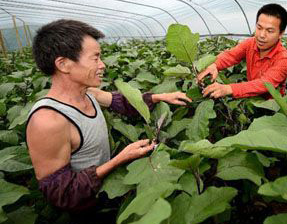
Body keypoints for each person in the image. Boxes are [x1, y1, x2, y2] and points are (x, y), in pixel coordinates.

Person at [26, 19, 191, 212]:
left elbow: (122, 103)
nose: (103, 65)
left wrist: (160, 96)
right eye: (95, 58)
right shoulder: (48, 121)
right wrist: (121, 159)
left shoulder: (88, 93)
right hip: (88, 210)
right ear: (64, 64)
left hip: (109, 193)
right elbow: (63, 193)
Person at [197, 3, 287, 99]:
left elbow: (265, 84)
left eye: (270, 31)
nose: (262, 35)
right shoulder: (250, 43)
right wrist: (214, 65)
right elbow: (231, 55)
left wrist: (228, 88)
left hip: (274, 107)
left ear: (281, 34)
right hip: (251, 99)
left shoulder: (284, 59)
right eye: (259, 28)